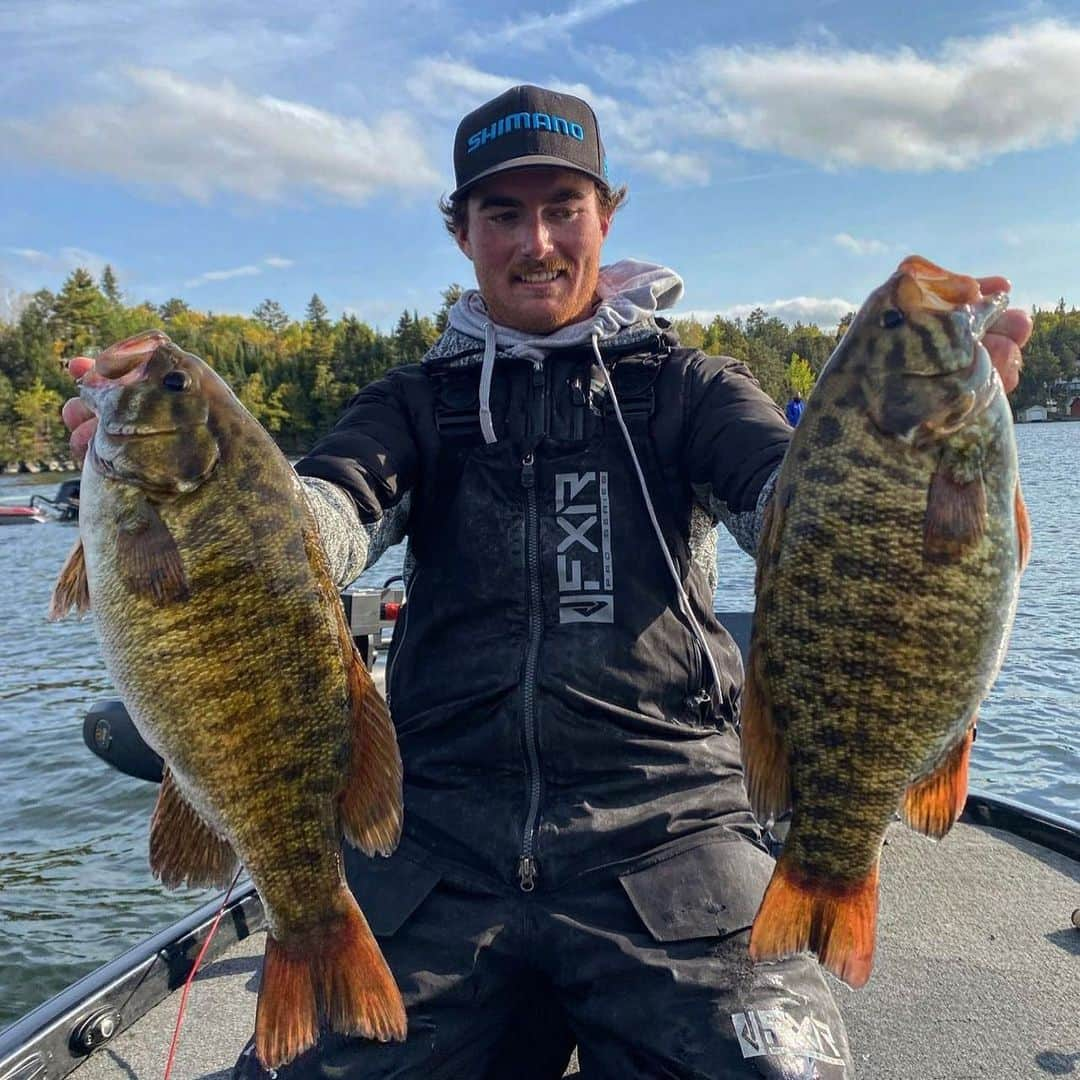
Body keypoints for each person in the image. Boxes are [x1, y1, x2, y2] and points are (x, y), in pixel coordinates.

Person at [63, 84, 1032, 1080]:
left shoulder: (692, 391)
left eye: (562, 207)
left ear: (604, 217)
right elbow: (323, 518)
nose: (537, 240)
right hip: (437, 847)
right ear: (463, 233)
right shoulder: (415, 405)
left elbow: (796, 510)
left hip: (671, 832)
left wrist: (914, 456)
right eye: (502, 213)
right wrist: (198, 497)